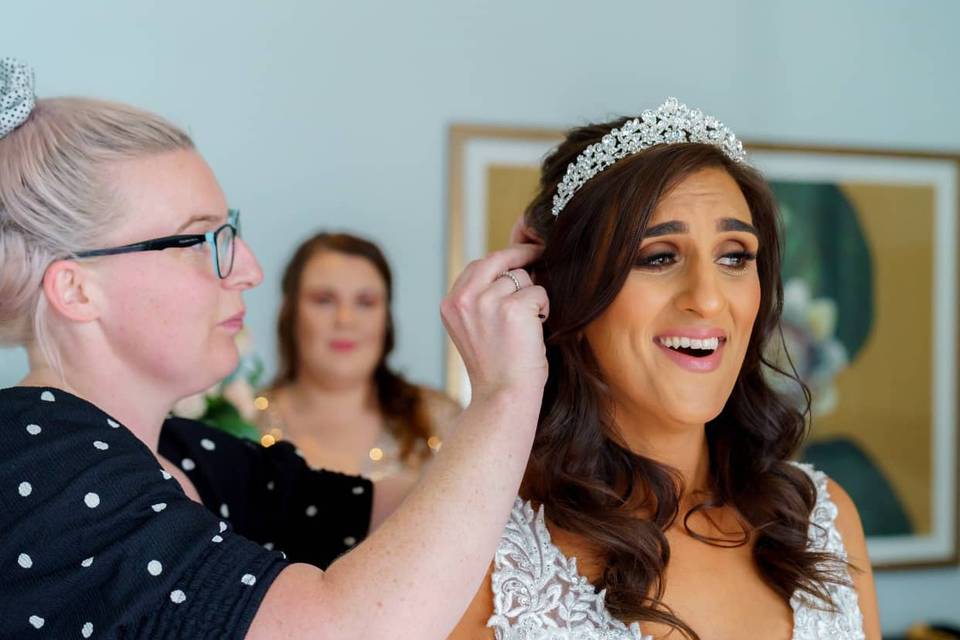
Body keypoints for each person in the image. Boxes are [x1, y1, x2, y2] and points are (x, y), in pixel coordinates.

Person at [0, 58, 549, 639]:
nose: (249, 269)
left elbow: (419, 518)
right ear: (77, 288)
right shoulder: (32, 460)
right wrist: (502, 392)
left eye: (229, 231)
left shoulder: (194, 457)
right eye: (201, 239)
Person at [448, 98, 881, 639]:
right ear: (571, 289)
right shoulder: (478, 556)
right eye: (657, 257)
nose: (708, 299)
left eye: (734, 256)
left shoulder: (822, 520)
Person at [256, 232, 461, 480]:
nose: (345, 320)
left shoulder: (438, 421)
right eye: (324, 300)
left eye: (365, 302)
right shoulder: (243, 422)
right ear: (289, 313)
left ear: (385, 318)